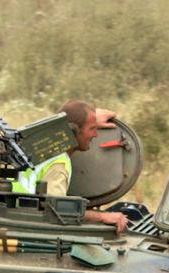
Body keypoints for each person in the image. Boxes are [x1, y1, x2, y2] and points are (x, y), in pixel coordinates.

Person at [11, 99, 128, 232]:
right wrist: (101, 216)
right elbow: (57, 211)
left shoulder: (40, 145)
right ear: (73, 131)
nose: (95, 134)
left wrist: (92, 118)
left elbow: (64, 120)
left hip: (14, 210)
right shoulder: (58, 164)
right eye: (92, 129)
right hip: (26, 225)